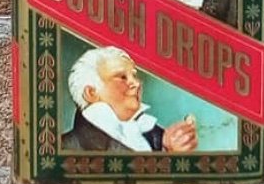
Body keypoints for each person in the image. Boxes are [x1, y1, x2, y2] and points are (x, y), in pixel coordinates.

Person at [62, 46, 198, 154]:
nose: (137, 83)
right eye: (122, 77)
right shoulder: (65, 148)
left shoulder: (154, 136)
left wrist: (170, 150)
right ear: (91, 93)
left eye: (134, 76)